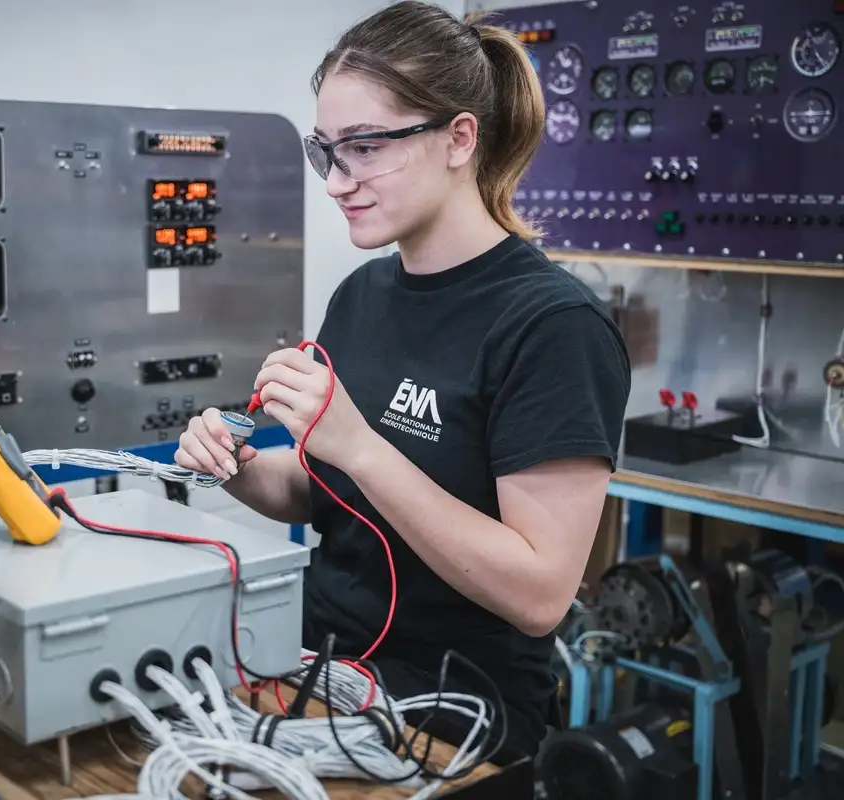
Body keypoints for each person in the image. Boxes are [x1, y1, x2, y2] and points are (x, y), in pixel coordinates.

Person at [174, 1, 631, 757]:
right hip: (315, 660)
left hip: (453, 709)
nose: (336, 182)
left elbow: (540, 594)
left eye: (365, 148)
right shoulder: (364, 295)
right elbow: (322, 492)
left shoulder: (554, 327)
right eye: (328, 151)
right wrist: (241, 467)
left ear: (459, 139)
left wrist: (361, 446)